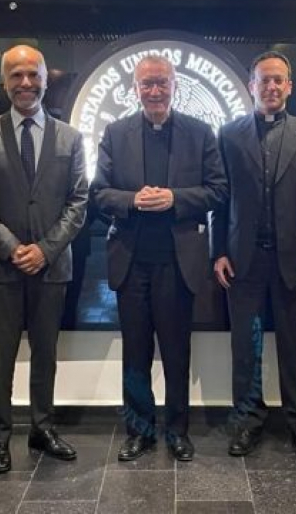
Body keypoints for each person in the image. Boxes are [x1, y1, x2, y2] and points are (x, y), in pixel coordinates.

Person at [91, 54, 227, 462]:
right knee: (134, 354)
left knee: (176, 352)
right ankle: (139, 431)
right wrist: (133, 200)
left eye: (161, 83)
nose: (154, 91)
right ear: (135, 88)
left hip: (178, 263)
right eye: (147, 84)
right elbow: (99, 193)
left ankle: (178, 431)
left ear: (174, 86)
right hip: (131, 262)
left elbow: (218, 190)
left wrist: (175, 198)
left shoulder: (200, 132)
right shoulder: (115, 132)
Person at [211, 51, 296, 459]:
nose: (271, 87)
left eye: (278, 79)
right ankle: (247, 421)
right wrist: (218, 251)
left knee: (295, 345)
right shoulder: (229, 134)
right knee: (245, 349)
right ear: (251, 86)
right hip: (243, 260)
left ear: (289, 86)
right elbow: (221, 199)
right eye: (264, 80)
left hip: (295, 260)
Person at [0, 45, 87, 471]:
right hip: (1, 266)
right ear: (4, 82)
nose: (25, 83)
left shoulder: (70, 137)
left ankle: (42, 428)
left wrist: (45, 249)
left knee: (45, 354)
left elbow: (78, 201)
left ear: (45, 79)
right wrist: (11, 246)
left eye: (33, 74)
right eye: (16, 75)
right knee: (0, 357)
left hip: (51, 266)